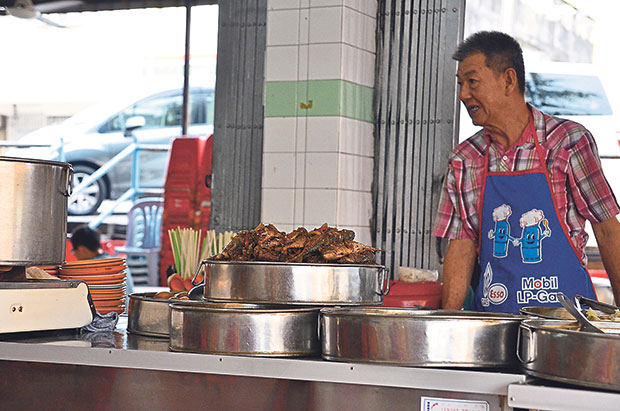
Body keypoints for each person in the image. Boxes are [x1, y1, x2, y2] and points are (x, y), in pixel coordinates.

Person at [433, 31, 620, 314]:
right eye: (460, 84)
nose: (463, 94)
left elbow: (607, 230)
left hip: (566, 324)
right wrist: (448, 321)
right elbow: (461, 246)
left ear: (508, 80)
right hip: (496, 323)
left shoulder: (568, 141)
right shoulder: (465, 159)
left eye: (472, 82)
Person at [70, 224, 135, 296]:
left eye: (74, 251)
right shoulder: (119, 263)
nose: (75, 255)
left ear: (82, 249)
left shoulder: (91, 269)